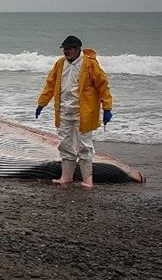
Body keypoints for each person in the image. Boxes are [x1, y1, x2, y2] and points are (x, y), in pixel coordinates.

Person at [35, 35, 112, 188]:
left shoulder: (90, 64)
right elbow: (50, 84)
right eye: (64, 49)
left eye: (69, 49)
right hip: (64, 110)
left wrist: (107, 108)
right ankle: (66, 177)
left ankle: (88, 180)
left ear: (77, 49)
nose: (66, 52)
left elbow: (103, 86)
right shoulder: (60, 63)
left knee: (84, 145)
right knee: (65, 144)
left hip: (84, 112)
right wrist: (41, 103)